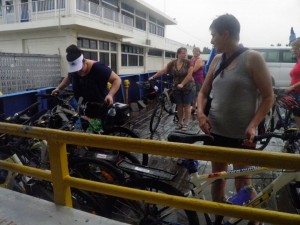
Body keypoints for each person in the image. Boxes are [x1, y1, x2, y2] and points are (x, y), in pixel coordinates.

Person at [197, 14, 274, 224]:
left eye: (213, 35)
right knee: (218, 180)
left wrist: (253, 124)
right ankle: (219, 219)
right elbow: (203, 93)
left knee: (243, 185)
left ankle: (252, 219)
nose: (211, 40)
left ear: (226, 34)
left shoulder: (252, 58)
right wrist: (200, 113)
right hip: (215, 132)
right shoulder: (215, 59)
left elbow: (269, 97)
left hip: (243, 136)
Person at [51, 44, 121, 118]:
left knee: (101, 128)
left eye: (80, 69)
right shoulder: (74, 71)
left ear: (84, 61)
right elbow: (69, 77)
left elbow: (117, 79)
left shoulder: (98, 68)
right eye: (75, 70)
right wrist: (59, 88)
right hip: (84, 108)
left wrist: (110, 95)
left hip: (101, 106)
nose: (78, 72)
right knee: (87, 127)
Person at [149, 47, 195, 131]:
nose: (184, 54)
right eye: (182, 53)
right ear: (178, 54)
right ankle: (180, 122)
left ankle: (186, 123)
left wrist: (182, 84)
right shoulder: (172, 63)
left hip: (188, 87)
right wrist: (153, 77)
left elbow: (189, 75)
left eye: (185, 53)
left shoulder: (189, 63)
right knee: (179, 105)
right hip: (176, 86)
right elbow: (163, 71)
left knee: (187, 105)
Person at [286, 38, 300, 127]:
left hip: (299, 93)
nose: (293, 51)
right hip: (295, 93)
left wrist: (292, 87)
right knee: (296, 117)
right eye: (293, 49)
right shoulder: (297, 62)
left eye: (296, 48)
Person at [190, 47, 204, 114]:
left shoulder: (199, 60)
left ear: (199, 52)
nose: (195, 52)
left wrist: (187, 71)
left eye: (197, 51)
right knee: (193, 94)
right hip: (192, 79)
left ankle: (199, 109)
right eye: (194, 51)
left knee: (198, 94)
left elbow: (194, 69)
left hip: (198, 79)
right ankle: (193, 108)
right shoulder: (192, 59)